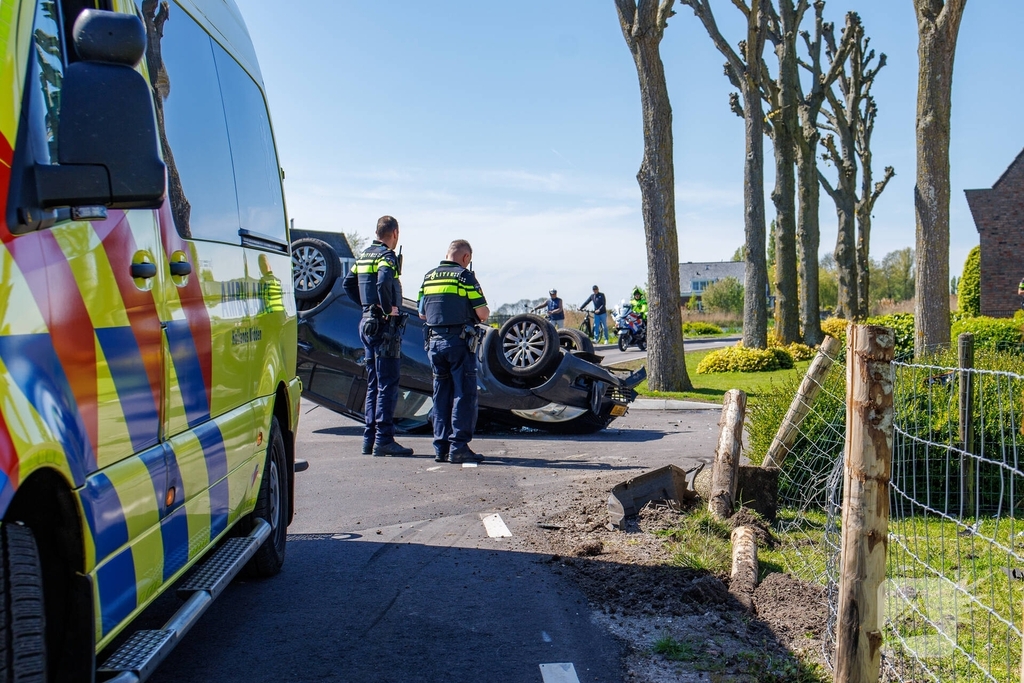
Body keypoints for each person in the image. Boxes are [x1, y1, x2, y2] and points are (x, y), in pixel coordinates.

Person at [342, 215, 413, 457]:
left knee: (374, 385)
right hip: (383, 327)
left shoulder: (363, 255)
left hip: (366, 324)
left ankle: (369, 440)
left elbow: (348, 284)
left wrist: (366, 306)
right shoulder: (386, 256)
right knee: (387, 385)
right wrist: (384, 308)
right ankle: (383, 440)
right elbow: (384, 281)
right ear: (395, 233)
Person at [417, 240, 489, 464]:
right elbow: (483, 313)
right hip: (458, 343)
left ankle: (440, 447)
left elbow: (422, 313)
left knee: (441, 395)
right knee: (463, 395)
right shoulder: (464, 277)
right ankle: (458, 446)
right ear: (466, 258)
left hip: (434, 344)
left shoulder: (428, 277)